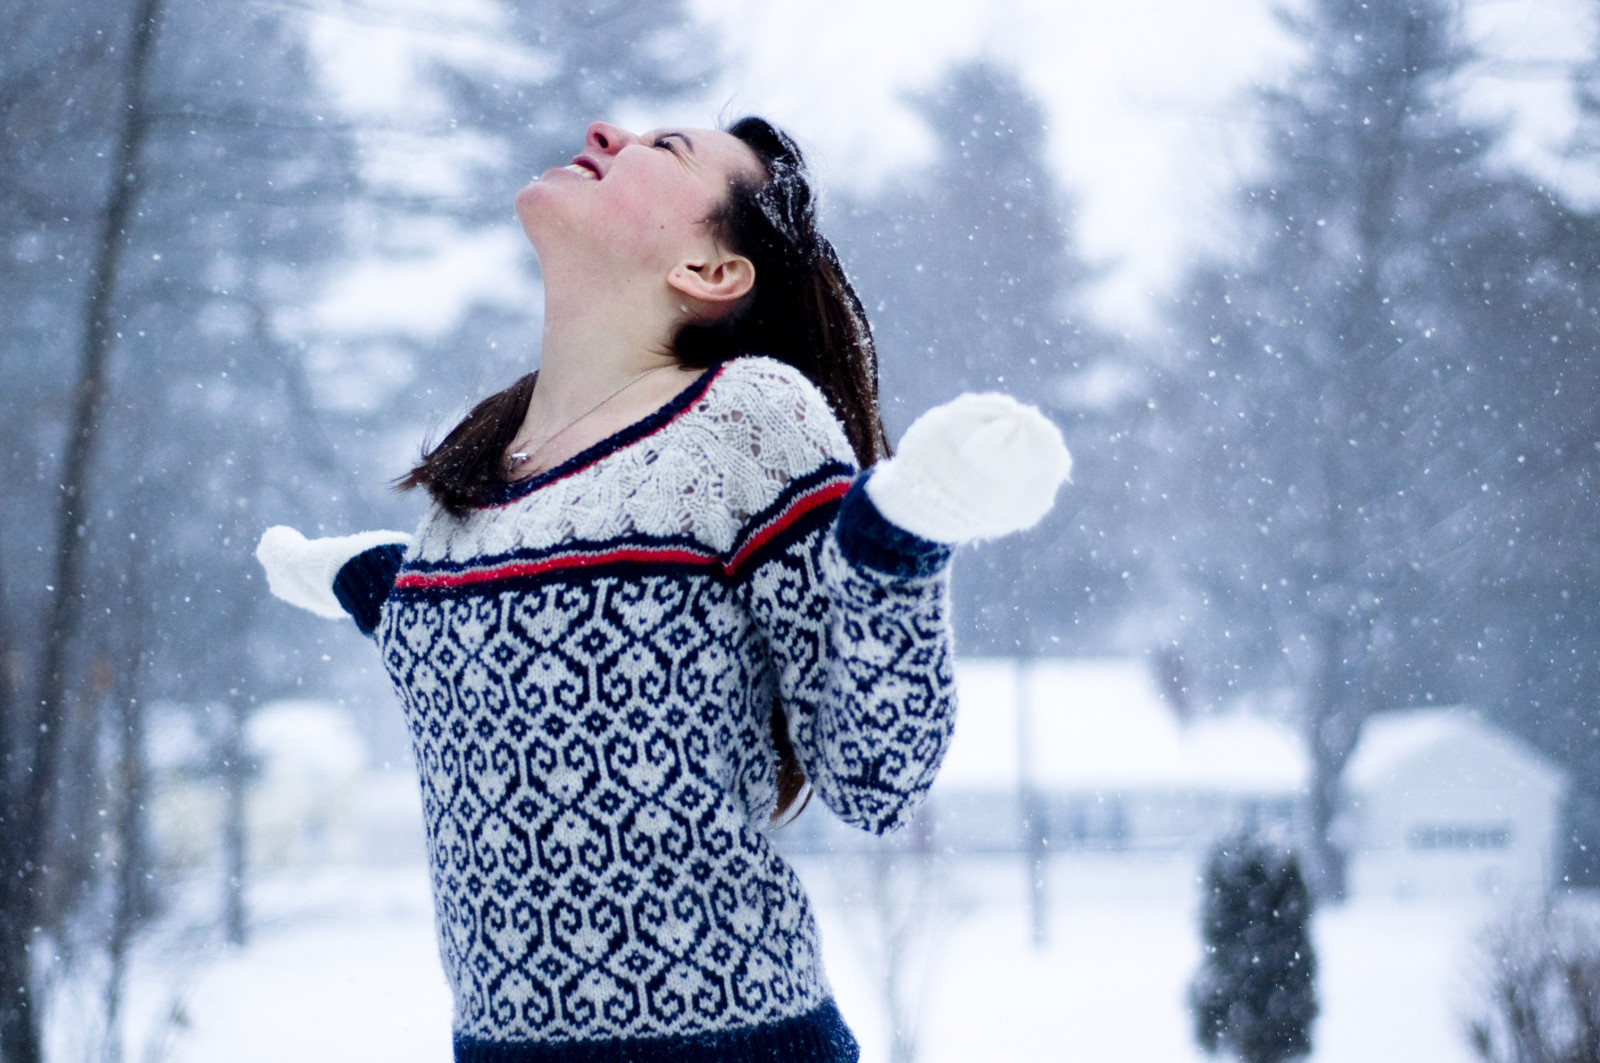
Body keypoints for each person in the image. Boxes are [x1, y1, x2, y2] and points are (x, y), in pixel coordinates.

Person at [256, 117, 1069, 1063]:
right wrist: (371, 582)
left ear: (711, 270)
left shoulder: (747, 419)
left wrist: (899, 544)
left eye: (668, 147)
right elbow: (498, 641)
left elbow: (873, 774)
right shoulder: (476, 472)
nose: (608, 129)